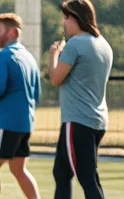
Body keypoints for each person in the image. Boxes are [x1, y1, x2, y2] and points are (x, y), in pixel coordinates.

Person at [48, 0, 112, 198]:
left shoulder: (75, 44)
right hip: (97, 120)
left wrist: (54, 54)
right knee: (61, 171)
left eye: (66, 18)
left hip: (78, 121)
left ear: (75, 18)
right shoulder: (103, 44)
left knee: (87, 177)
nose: (64, 23)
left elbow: (55, 79)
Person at [0, 13, 41, 199]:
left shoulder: (3, 57)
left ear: (12, 32)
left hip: (7, 123)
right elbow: (37, 93)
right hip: (26, 123)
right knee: (18, 168)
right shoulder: (29, 58)